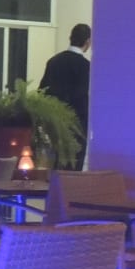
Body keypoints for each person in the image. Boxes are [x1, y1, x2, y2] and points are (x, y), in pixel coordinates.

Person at [39, 23, 91, 170]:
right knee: (74, 163)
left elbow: (42, 91)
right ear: (87, 42)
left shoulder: (54, 61)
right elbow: (82, 94)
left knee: (55, 162)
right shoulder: (85, 66)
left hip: (54, 121)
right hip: (77, 122)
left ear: (70, 38)